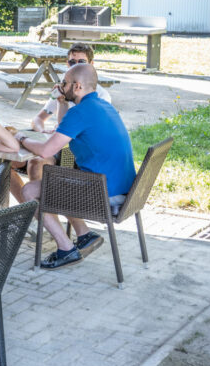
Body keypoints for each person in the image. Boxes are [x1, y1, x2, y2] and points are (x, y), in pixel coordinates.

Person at [14, 64, 135, 269]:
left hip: (103, 192)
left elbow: (45, 151)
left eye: (64, 83)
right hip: (123, 188)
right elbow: (66, 127)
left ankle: (66, 249)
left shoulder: (80, 112)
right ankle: (84, 235)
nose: (61, 86)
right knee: (56, 182)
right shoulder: (103, 106)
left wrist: (21, 137)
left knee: (29, 191)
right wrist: (61, 101)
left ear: (77, 86)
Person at [9, 43, 111, 204]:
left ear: (91, 65)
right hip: (57, 145)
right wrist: (43, 131)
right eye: (72, 62)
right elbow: (38, 119)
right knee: (8, 163)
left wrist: (21, 137)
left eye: (81, 62)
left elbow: (76, 131)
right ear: (67, 64)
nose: (76, 66)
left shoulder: (99, 96)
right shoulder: (65, 90)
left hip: (74, 155)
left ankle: (41, 213)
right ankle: (31, 211)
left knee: (36, 162)